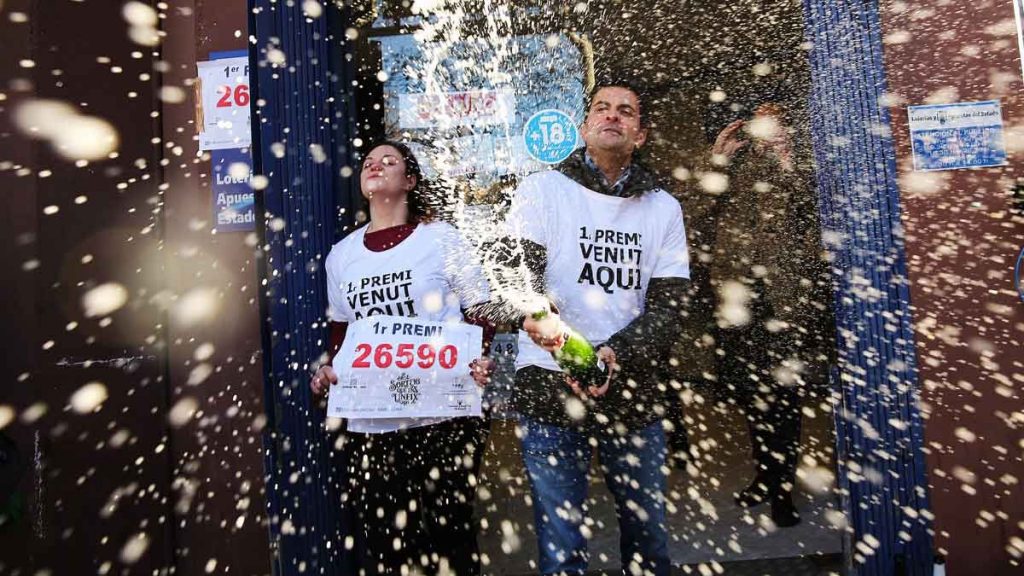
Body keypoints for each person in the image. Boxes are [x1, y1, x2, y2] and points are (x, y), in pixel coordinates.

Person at [502, 83, 691, 576]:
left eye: (626, 111)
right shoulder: (542, 189)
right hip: (548, 383)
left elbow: (670, 308)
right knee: (562, 541)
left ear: (640, 134)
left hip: (632, 384)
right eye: (601, 108)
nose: (613, 116)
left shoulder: (663, 207)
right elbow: (519, 278)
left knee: (648, 535)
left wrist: (613, 354)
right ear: (584, 128)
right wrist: (560, 340)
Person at [310, 140, 495, 575]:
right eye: (369, 163)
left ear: (410, 181)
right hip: (373, 422)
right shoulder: (342, 256)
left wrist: (479, 357)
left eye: (389, 161)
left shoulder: (441, 238)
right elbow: (343, 330)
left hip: (443, 418)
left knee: (450, 535)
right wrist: (329, 369)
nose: (376, 166)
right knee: (388, 542)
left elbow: (480, 310)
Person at [705, 101, 833, 527]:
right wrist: (718, 157)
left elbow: (816, 221)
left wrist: (787, 160)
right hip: (737, 301)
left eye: (772, 121)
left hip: (783, 304)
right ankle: (764, 474)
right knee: (750, 397)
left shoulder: (803, 166)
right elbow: (697, 208)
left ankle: (782, 491)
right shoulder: (735, 167)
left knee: (783, 401)